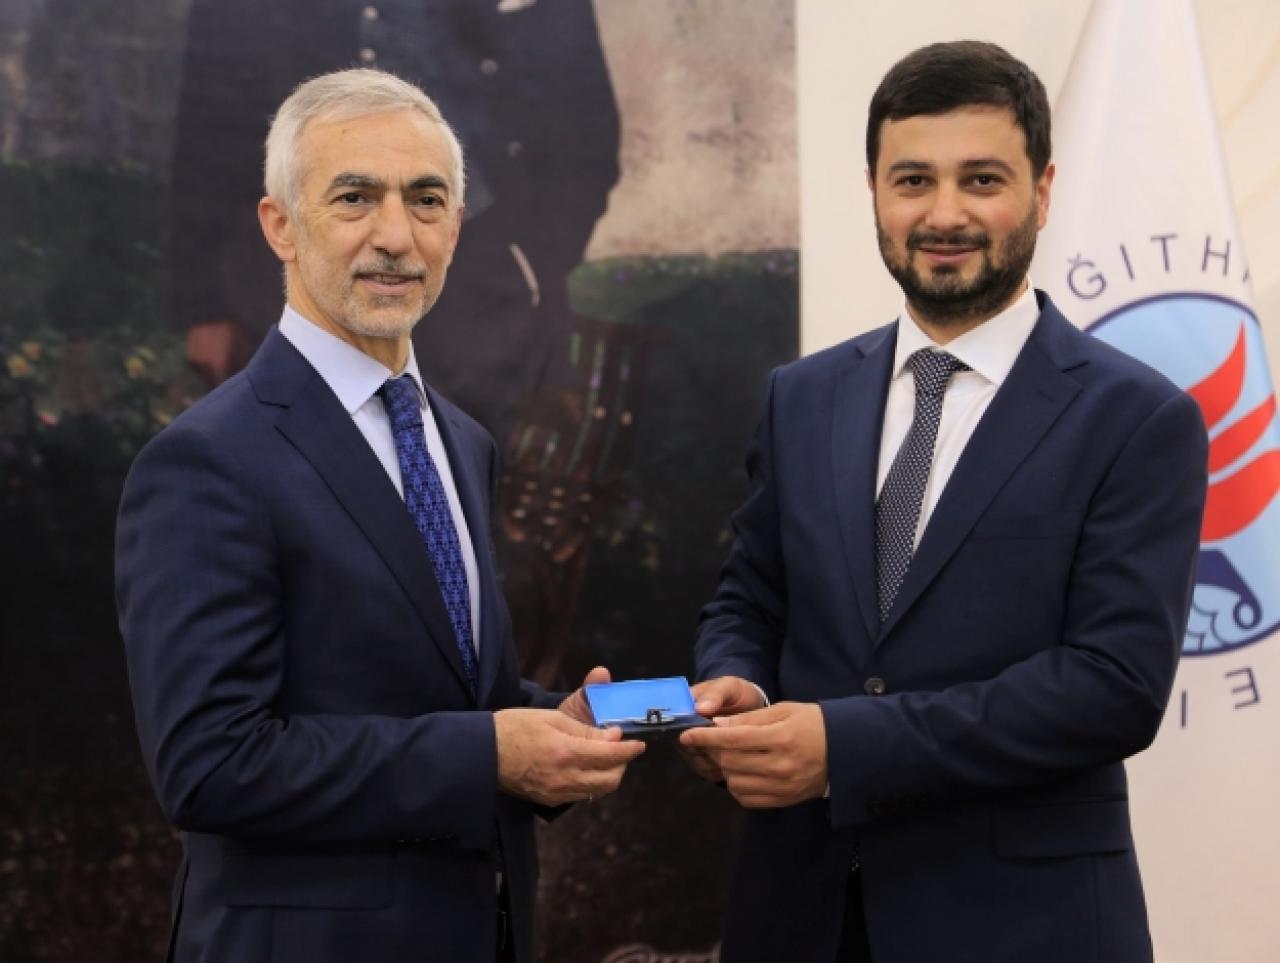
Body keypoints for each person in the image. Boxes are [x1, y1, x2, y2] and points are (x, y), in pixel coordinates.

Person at [680, 41, 1208, 963]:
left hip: (1023, 927)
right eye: (914, 179)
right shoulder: (800, 397)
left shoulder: (1138, 418)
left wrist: (845, 744)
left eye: (983, 179)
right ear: (875, 192)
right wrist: (741, 683)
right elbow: (752, 598)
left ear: (1043, 191)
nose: (945, 213)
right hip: (797, 914)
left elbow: (1113, 687)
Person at [116, 69, 643, 963]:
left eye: (426, 200)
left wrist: (563, 720)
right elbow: (210, 764)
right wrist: (490, 753)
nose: (396, 235)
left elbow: (438, 690)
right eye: (355, 197)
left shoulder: (460, 439)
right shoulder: (206, 461)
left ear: (456, 226)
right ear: (280, 225)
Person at [170, 0, 620, 442]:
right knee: (304, 470)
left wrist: (531, 261)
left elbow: (585, 126)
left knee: (453, 473)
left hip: (474, 287)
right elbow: (210, 133)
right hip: (293, 280)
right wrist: (209, 305)